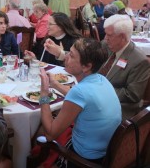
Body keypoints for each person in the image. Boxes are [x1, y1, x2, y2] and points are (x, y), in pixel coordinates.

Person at [39, 38, 121, 167]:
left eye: (71, 55)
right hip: (106, 152)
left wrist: (43, 94)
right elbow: (80, 99)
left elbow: (50, 135)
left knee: (41, 133)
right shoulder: (102, 79)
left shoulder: (80, 92)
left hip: (84, 160)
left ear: (87, 66)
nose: (65, 57)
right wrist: (54, 84)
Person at [99, 14, 150, 119]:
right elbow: (87, 57)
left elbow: (132, 95)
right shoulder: (106, 45)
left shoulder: (139, 61)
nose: (105, 38)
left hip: (117, 107)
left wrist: (99, 89)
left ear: (122, 36)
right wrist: (62, 54)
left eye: (109, 35)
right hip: (96, 98)